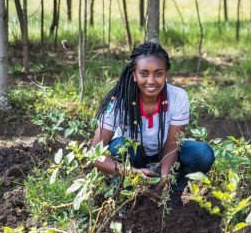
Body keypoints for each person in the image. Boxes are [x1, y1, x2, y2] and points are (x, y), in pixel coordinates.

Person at [91, 42, 214, 201]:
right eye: (144, 73)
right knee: (119, 146)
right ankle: (126, 192)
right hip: (134, 157)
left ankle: (172, 194)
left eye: (158, 73)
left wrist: (164, 176)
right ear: (134, 74)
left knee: (203, 154)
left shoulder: (178, 97)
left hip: (165, 153)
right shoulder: (118, 100)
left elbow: (172, 144)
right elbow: (94, 154)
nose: (151, 80)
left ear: (166, 74)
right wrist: (131, 172)